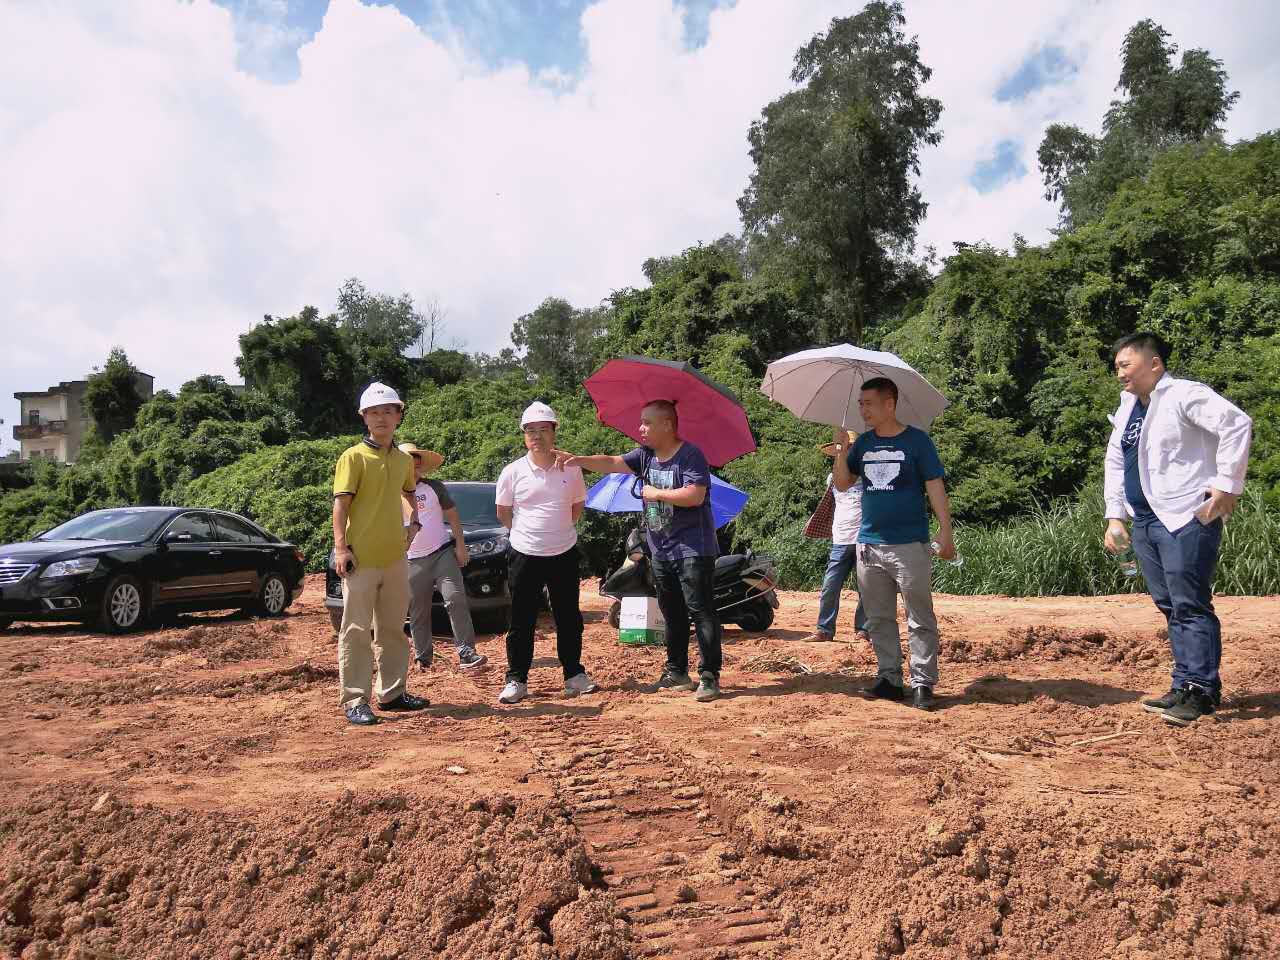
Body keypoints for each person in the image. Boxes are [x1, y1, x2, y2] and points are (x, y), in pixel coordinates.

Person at [1103, 332, 1252, 727]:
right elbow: (1116, 462)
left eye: (1126, 364)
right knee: (1169, 604)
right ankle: (1183, 683)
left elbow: (1237, 424)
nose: (1119, 373)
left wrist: (1227, 484)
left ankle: (1202, 690)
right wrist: (1115, 515)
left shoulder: (1184, 395)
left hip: (1185, 515)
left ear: (1154, 364)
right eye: (1117, 366)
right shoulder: (1129, 408)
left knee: (1190, 603)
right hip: (1145, 520)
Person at [557, 399, 723, 702]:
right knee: (672, 613)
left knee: (701, 611)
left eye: (647, 422)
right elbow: (611, 462)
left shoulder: (691, 455)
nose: (641, 428)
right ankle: (677, 672)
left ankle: (709, 676)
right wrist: (577, 459)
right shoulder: (645, 455)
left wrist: (656, 492)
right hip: (661, 548)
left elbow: (695, 495)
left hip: (693, 548)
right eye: (641, 421)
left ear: (667, 425)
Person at [832, 377, 955, 711]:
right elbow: (842, 484)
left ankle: (923, 683)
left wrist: (946, 531)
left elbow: (935, 486)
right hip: (869, 545)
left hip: (909, 545)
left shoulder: (917, 441)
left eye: (869, 404)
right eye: (860, 404)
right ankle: (889, 678)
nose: (863, 410)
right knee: (878, 618)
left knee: (919, 616)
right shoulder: (863, 444)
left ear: (890, 404)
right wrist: (841, 451)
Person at [332, 382, 431, 726]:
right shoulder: (353, 457)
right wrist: (340, 547)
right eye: (374, 412)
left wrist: (414, 522)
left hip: (394, 558)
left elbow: (409, 492)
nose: (381, 418)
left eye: (388, 411)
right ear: (364, 418)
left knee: (392, 629)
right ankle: (355, 699)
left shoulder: (403, 459)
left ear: (398, 416)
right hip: (360, 558)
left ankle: (391, 693)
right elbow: (341, 505)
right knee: (356, 630)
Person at [494, 401, 597, 704]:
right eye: (530, 430)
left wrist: (555, 533)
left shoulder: (571, 468)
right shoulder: (512, 471)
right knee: (521, 619)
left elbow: (576, 507)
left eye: (543, 429)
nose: (536, 435)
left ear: (554, 432)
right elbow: (503, 513)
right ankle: (517, 679)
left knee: (568, 617)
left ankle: (574, 675)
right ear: (524, 435)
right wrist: (529, 535)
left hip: (563, 552)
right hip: (524, 553)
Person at [400, 442, 488, 672]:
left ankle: (466, 652)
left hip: (442, 553)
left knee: (455, 598)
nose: (412, 468)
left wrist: (461, 546)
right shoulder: (390, 493)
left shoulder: (434, 487)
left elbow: (453, 516)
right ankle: (423, 658)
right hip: (411, 559)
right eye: (407, 463)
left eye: (415, 463)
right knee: (418, 610)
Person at [803, 432, 869, 643]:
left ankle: (863, 630)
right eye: (844, 448)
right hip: (840, 538)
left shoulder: (867, 476)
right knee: (830, 585)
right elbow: (830, 503)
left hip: (864, 538)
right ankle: (824, 629)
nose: (848, 451)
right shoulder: (832, 478)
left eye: (851, 447)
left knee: (866, 587)